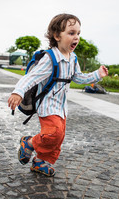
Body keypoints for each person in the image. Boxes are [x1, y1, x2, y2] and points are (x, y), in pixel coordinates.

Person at [8, 13, 108, 176]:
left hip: (61, 107)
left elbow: (79, 77)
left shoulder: (73, 59)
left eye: (78, 33)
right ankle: (29, 143)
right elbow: (31, 78)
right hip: (47, 106)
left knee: (58, 138)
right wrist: (18, 92)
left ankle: (39, 162)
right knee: (53, 133)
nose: (76, 37)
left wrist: (97, 74)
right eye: (71, 33)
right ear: (56, 36)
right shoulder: (49, 58)